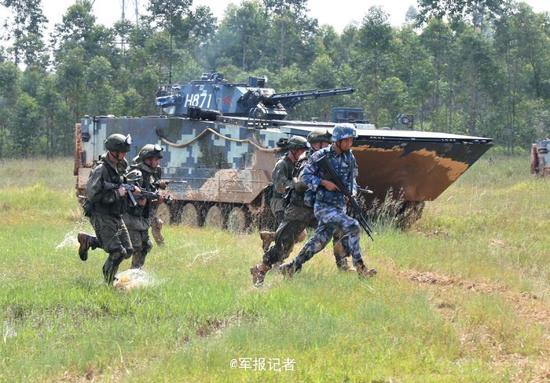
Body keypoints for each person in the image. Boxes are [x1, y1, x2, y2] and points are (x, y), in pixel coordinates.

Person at [250, 130, 352, 286]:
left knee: (337, 229)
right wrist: (322, 183)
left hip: (316, 208)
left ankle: (341, 263)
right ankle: (260, 269)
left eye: (328, 143)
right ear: (315, 144)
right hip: (299, 209)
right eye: (324, 143)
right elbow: (299, 184)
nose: (328, 146)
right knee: (284, 246)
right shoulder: (307, 160)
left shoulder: (328, 160)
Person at [279, 124, 377, 279]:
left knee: (319, 242)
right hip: (323, 206)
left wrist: (350, 193)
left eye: (351, 140)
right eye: (347, 140)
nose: (350, 143)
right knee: (353, 226)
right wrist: (324, 183)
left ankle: (292, 266)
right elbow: (305, 178)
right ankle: (361, 269)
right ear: (337, 140)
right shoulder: (320, 156)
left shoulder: (349, 157)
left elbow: (352, 179)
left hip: (339, 206)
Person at [77, 133, 141, 284]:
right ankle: (108, 282)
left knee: (128, 249)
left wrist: (132, 188)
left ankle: (90, 241)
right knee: (117, 252)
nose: (125, 154)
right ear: (114, 151)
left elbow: (122, 182)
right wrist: (116, 193)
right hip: (101, 214)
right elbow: (92, 195)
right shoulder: (101, 169)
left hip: (116, 214)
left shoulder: (120, 165)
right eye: (123, 151)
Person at [123, 144, 164, 268]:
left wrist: (157, 198)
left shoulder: (151, 174)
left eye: (157, 159)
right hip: (130, 216)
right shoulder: (136, 173)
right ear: (145, 159)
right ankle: (92, 241)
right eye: (151, 159)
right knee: (132, 247)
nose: (155, 162)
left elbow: (149, 195)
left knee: (146, 246)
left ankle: (135, 272)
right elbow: (127, 193)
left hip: (142, 218)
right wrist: (142, 198)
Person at [268, 136, 310, 228]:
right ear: (294, 150)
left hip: (293, 202)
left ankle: (271, 237)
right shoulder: (282, 164)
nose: (304, 153)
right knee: (288, 232)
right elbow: (280, 186)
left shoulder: (300, 165)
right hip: (280, 202)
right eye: (301, 150)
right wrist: (296, 185)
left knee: (300, 234)